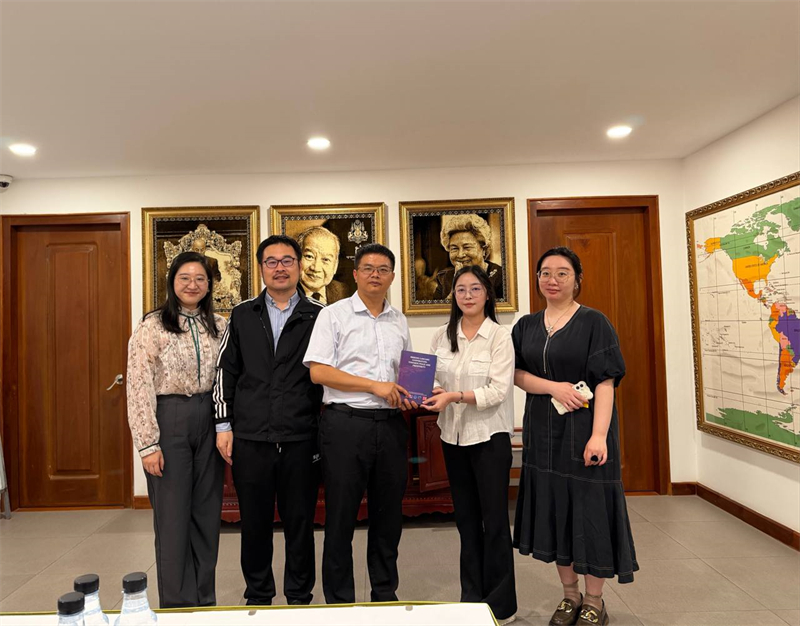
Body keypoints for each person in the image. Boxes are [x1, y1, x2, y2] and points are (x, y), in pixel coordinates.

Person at [512, 247, 637, 626]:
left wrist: (599, 435)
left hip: (585, 431)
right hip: (543, 432)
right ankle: (570, 595)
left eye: (562, 273)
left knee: (590, 512)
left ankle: (594, 600)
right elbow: (516, 374)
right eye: (545, 273)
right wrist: (554, 387)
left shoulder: (594, 322)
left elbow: (606, 383)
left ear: (577, 279)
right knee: (556, 511)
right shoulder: (526, 326)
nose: (552, 280)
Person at [213, 234, 324, 606]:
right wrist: (223, 425)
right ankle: (259, 595)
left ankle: (299, 596)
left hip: (300, 437)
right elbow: (225, 372)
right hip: (252, 437)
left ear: (298, 266)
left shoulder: (319, 315)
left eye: (287, 260)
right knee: (254, 523)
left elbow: (332, 372)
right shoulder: (243, 314)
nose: (280, 268)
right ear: (261, 268)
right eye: (271, 261)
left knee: (300, 523)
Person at [303, 242, 417, 604]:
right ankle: (340, 601)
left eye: (383, 269)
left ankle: (384, 594)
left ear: (392, 277)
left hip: (391, 426)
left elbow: (406, 374)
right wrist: (373, 386)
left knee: (388, 517)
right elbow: (319, 372)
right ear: (355, 274)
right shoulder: (333, 315)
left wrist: (417, 390)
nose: (375, 275)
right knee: (340, 517)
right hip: (345, 425)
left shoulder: (398, 320)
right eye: (368, 268)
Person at [126, 251, 226, 608]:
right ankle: (177, 605)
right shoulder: (152, 326)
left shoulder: (220, 325)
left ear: (209, 285)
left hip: (209, 420)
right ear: (172, 282)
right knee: (172, 519)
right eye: (185, 277)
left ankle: (204, 600)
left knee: (207, 515)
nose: (192, 285)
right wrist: (148, 444)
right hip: (169, 419)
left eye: (200, 278)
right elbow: (138, 385)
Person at [422, 265, 517, 625]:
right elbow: (429, 378)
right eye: (460, 289)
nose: (467, 295)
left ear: (487, 294)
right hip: (453, 437)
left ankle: (501, 605)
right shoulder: (442, 335)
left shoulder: (499, 336)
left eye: (475, 288)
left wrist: (454, 396)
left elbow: (498, 391)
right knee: (465, 520)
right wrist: (432, 390)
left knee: (494, 521)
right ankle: (471, 598)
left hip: (489, 438)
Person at [432, 214, 504, 300]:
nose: (460, 255)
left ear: (484, 249)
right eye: (454, 248)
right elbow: (437, 308)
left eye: (467, 247)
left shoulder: (502, 277)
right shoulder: (444, 279)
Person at [297, 226, 348, 305]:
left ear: (335, 265)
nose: (316, 268)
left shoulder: (346, 293)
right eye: (309, 256)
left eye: (325, 260)